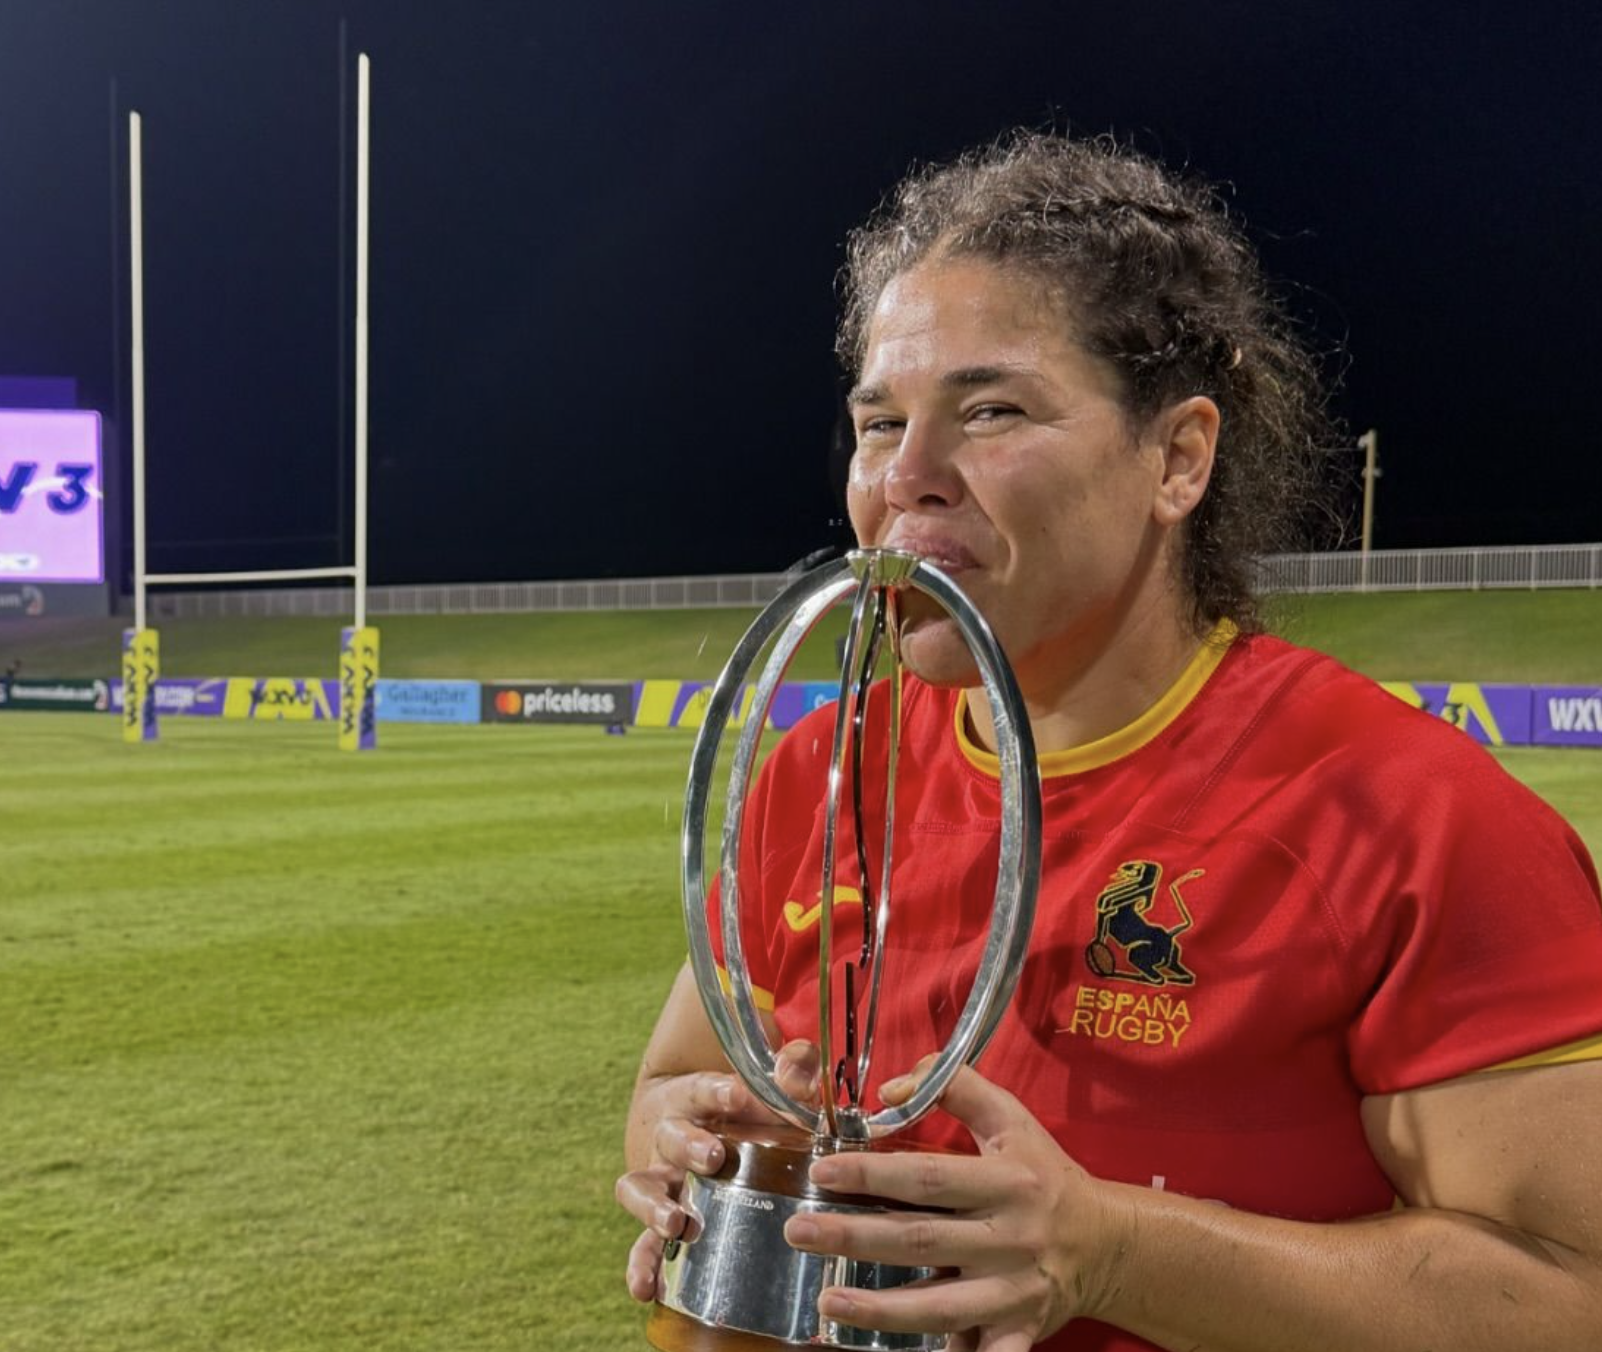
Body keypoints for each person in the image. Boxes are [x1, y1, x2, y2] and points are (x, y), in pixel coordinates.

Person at [617, 132, 1602, 1352]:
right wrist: (681, 1142)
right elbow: (674, 1077)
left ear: (1178, 456)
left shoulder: (1407, 816)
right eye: (879, 423)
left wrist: (1113, 1251)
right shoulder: (823, 771)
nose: (906, 477)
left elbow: (1571, 1295)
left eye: (990, 409)